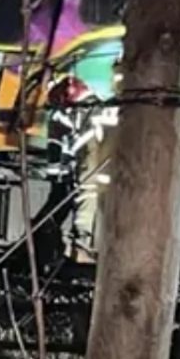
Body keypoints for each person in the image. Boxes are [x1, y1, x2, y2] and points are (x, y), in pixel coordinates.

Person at [70, 60, 122, 261]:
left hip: (102, 173)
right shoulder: (140, 109)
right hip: (124, 176)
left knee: (90, 204)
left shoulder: (101, 109)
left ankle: (82, 246)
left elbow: (89, 144)